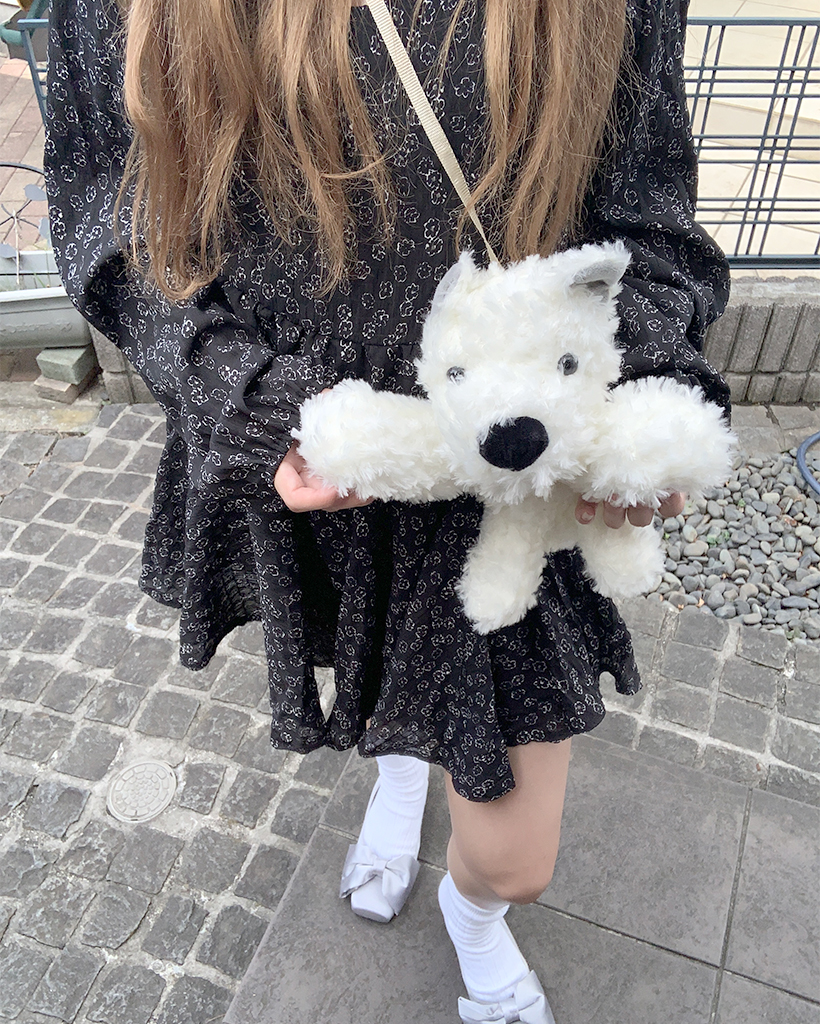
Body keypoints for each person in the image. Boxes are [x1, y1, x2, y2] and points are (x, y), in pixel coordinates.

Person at [46, 0, 730, 1020]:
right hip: (332, 443)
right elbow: (111, 203)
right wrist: (245, 394)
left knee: (515, 859)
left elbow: (646, 211)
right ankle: (403, 769)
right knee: (373, 674)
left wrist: (645, 392)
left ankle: (474, 913)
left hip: (513, 461)